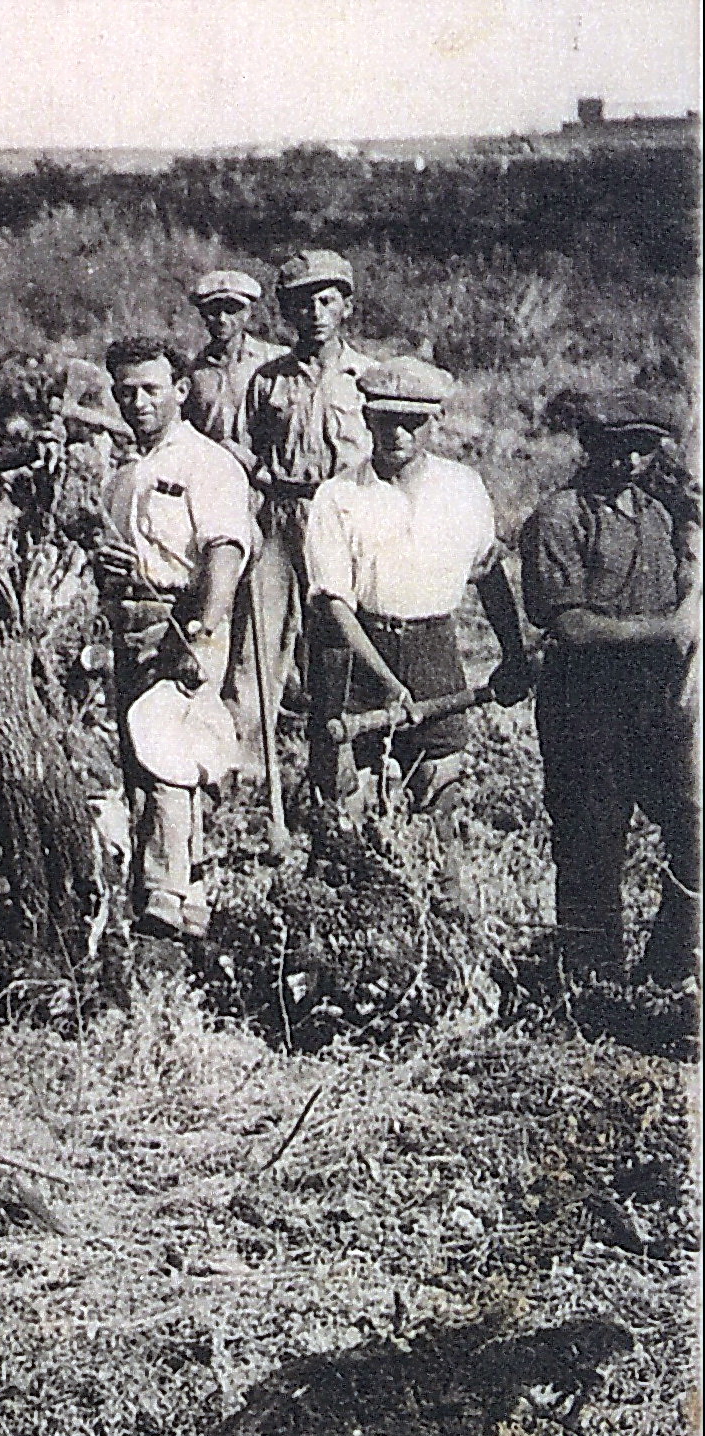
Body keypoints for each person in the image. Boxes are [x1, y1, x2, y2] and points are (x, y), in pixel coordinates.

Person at [516, 391, 699, 983]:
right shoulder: (559, 517)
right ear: (590, 445)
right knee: (592, 844)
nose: (629, 462)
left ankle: (667, 970)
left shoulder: (658, 516)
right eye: (617, 448)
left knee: (691, 825)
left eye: (642, 449)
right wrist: (665, 630)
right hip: (584, 705)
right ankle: (592, 986)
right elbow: (565, 623)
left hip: (655, 703)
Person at [299, 357, 531, 819]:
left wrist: (514, 654)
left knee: (439, 796)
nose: (398, 434)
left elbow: (488, 574)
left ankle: (440, 889)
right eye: (386, 420)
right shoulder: (338, 496)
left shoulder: (462, 487)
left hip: (433, 650)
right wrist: (387, 681)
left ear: (436, 420)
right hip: (356, 656)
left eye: (412, 422)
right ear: (366, 418)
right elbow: (335, 606)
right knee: (347, 804)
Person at [92, 336, 256, 939]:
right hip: (131, 621)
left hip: (183, 622)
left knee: (173, 757)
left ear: (180, 391)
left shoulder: (206, 464)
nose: (136, 402)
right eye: (126, 391)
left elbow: (224, 549)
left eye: (150, 390)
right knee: (140, 757)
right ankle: (170, 887)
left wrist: (204, 626)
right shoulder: (127, 473)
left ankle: (170, 894)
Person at [228, 250, 374, 780]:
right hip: (280, 518)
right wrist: (259, 476)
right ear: (287, 314)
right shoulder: (268, 380)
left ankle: (338, 770)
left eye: (326, 300)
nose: (315, 312)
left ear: (346, 307)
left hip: (342, 520)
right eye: (302, 304)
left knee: (339, 642)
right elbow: (239, 446)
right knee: (258, 646)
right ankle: (244, 777)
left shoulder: (368, 378)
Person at [180, 269, 284, 448]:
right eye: (213, 311)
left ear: (247, 313)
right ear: (203, 315)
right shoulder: (194, 372)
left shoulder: (274, 360)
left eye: (231, 310)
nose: (222, 319)